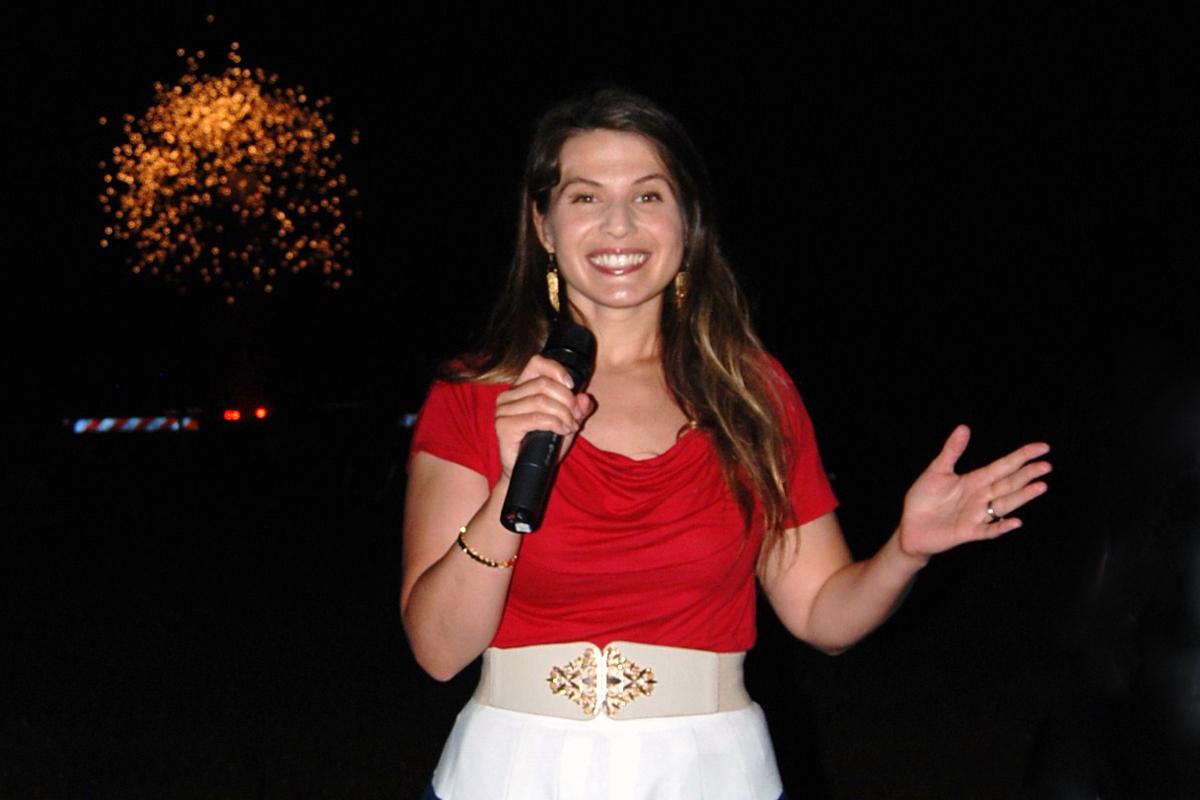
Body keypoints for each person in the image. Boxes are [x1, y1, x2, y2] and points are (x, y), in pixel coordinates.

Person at [401, 87, 1051, 800]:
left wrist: (905, 550)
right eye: (585, 197)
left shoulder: (751, 392)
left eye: (648, 196)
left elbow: (823, 616)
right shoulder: (474, 394)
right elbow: (438, 651)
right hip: (512, 770)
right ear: (544, 226)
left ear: (687, 222)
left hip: (709, 771)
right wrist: (510, 486)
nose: (619, 224)